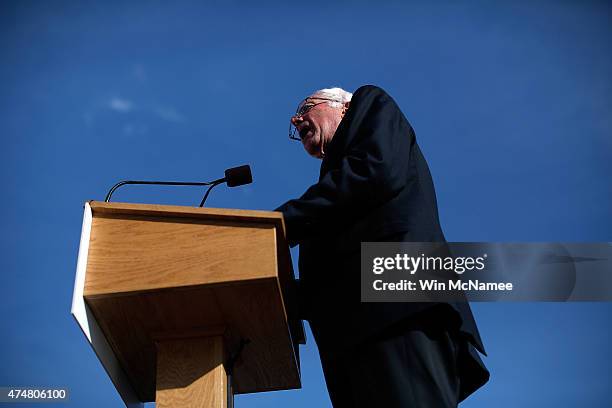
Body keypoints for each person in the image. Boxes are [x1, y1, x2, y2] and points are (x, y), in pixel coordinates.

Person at [276, 85, 489, 407]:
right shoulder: (334, 180)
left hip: (395, 305)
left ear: (344, 107)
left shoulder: (369, 103)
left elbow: (373, 173)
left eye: (306, 107)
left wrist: (277, 223)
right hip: (351, 335)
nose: (296, 119)